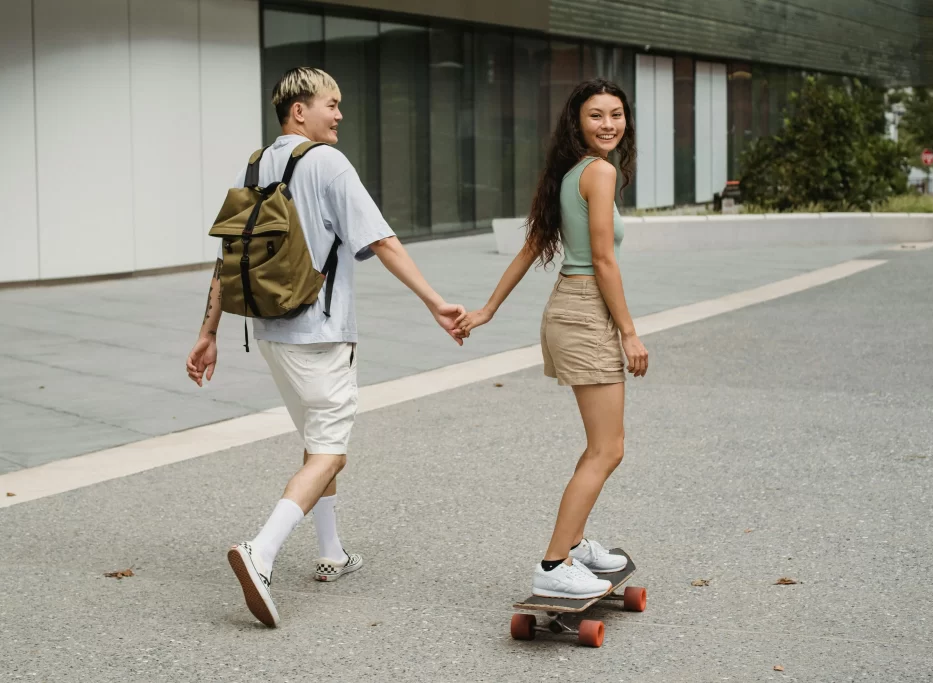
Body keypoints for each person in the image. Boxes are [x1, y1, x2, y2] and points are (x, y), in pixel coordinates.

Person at [186, 67, 465, 627]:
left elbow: (228, 255)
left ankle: (331, 550)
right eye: (331, 104)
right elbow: (381, 239)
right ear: (299, 111)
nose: (339, 115)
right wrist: (435, 301)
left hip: (270, 333)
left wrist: (209, 331)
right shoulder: (327, 163)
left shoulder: (257, 164)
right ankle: (260, 553)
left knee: (317, 444)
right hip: (321, 333)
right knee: (331, 451)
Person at [456, 79, 649, 599]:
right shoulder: (600, 172)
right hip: (587, 313)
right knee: (607, 449)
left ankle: (576, 543)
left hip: (573, 308)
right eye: (596, 116)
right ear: (577, 122)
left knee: (602, 446)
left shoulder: (572, 173)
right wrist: (629, 333)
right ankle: (552, 562)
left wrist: (487, 310)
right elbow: (603, 260)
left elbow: (532, 246)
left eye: (616, 115)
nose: (608, 124)